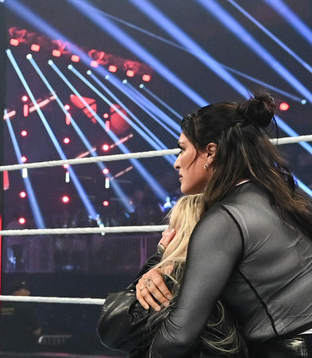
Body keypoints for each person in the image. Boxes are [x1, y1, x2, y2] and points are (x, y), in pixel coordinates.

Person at [137, 93, 312, 356]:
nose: (176, 162)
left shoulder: (225, 219)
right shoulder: (284, 197)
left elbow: (179, 336)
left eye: (182, 149)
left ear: (210, 152)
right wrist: (161, 266)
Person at [97, 194, 246, 356]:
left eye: (171, 227)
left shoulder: (174, 279)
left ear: (181, 233)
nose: (164, 233)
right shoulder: (229, 270)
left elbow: (112, 330)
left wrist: (158, 258)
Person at [0, 281, 40, 352]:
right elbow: (36, 329)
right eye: (25, 290)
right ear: (16, 292)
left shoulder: (3, 305)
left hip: (5, 345)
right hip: (23, 347)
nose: (28, 293)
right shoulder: (25, 307)